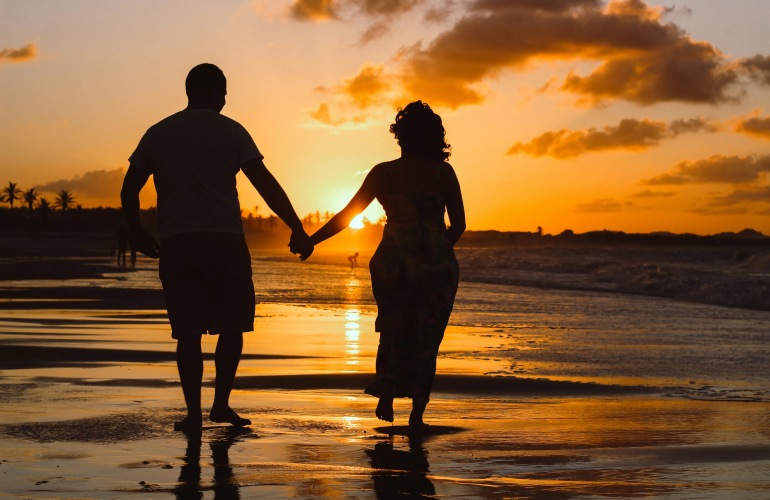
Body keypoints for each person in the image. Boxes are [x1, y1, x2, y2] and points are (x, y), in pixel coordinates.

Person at [121, 63, 312, 433]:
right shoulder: (232, 131)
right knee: (232, 325)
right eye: (223, 92)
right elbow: (265, 184)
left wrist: (137, 231)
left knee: (188, 332)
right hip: (224, 241)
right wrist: (296, 227)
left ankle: (194, 415)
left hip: (178, 243)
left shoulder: (158, 133)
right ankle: (221, 405)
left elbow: (130, 189)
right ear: (214, 91)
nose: (225, 99)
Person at [299, 101, 465, 432]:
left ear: (400, 136)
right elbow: (459, 224)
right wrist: (435, 250)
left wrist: (311, 241)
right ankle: (417, 414)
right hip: (437, 266)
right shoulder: (444, 173)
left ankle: (386, 396)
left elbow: (348, 215)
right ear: (435, 137)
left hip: (394, 263)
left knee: (393, 328)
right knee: (427, 338)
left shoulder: (384, 172)